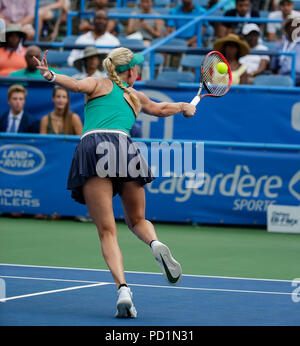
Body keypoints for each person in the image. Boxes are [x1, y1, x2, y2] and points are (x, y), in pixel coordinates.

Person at [33, 47, 195, 318]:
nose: (139, 71)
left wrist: (51, 75)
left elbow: (74, 84)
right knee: (138, 220)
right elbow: (161, 108)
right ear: (129, 71)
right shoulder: (135, 95)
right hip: (124, 146)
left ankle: (123, 290)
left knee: (108, 231)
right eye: (137, 67)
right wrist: (183, 107)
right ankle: (155, 244)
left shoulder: (98, 83)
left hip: (94, 147)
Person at [271, 16, 300, 86]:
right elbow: (273, 67)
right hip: (283, 79)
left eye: (298, 27)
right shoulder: (279, 46)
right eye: (292, 26)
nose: (295, 29)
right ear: (287, 29)